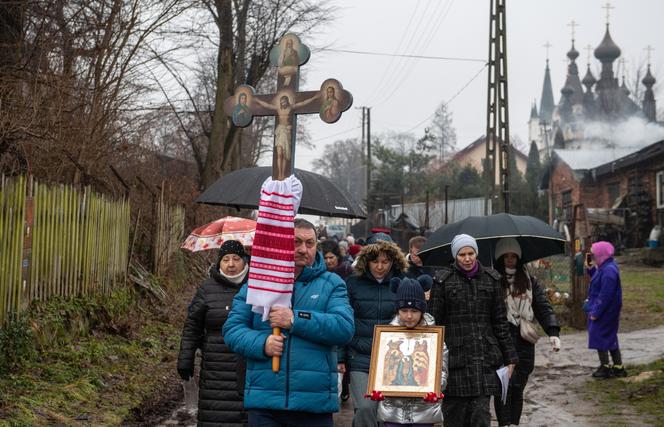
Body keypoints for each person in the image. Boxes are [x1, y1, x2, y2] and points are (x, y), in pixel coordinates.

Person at [222, 219, 354, 427]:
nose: (303, 249)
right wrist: (262, 343)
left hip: (314, 404)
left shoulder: (332, 284)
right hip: (265, 403)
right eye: (296, 242)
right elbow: (232, 330)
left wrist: (294, 319)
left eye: (309, 243)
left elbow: (344, 328)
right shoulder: (258, 283)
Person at [428, 234, 518, 427]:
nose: (467, 258)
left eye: (471, 253)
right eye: (462, 254)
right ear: (455, 256)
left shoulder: (491, 280)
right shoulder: (443, 281)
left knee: (481, 414)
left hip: (483, 357)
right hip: (453, 358)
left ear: (476, 253)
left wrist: (510, 357)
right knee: (454, 416)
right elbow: (433, 323)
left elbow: (500, 322)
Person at [177, 240, 250, 426]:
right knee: (214, 415)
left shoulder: (257, 288)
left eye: (236, 258)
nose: (231, 264)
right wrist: (186, 358)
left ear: (244, 260)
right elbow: (192, 326)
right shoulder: (207, 290)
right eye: (225, 259)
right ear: (219, 263)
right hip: (215, 368)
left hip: (248, 365)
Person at [340, 232, 409, 427]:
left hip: (393, 359)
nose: (380, 267)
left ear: (393, 261)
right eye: (375, 261)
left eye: (385, 261)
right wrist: (340, 357)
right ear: (366, 261)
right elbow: (344, 320)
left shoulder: (402, 283)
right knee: (365, 407)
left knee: (386, 412)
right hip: (360, 357)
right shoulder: (352, 283)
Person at [492, 237, 561, 427]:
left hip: (524, 339)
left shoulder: (529, 281)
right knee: (504, 387)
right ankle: (504, 423)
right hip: (501, 338)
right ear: (499, 257)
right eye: (505, 256)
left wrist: (553, 331)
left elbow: (542, 306)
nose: (510, 259)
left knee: (518, 387)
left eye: (513, 255)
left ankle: (514, 423)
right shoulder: (492, 280)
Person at [375, 275, 448, 427]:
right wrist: (378, 385)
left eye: (414, 311)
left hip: (424, 410)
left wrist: (435, 387)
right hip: (393, 410)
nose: (409, 316)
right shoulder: (387, 337)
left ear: (422, 310)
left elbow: (442, 370)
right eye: (404, 310)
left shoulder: (434, 337)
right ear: (397, 310)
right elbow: (380, 368)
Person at [584, 241, 626, 379]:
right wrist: (590, 269)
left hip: (605, 312)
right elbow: (598, 278)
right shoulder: (605, 267)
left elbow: (605, 295)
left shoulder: (608, 271)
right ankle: (618, 367)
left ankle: (605, 367)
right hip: (607, 311)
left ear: (601, 253)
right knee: (609, 337)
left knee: (599, 336)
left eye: (594, 253)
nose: (593, 256)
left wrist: (596, 312)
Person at [254, 93, 319, 180]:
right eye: (281, 102)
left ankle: (282, 174)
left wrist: (314, 97)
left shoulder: (291, 108)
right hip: (280, 131)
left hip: (286, 132)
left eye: (284, 102)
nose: (283, 104)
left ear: (287, 102)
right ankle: (279, 172)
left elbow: (303, 103)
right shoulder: (278, 109)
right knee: (279, 154)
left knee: (284, 155)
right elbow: (267, 106)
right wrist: (257, 100)